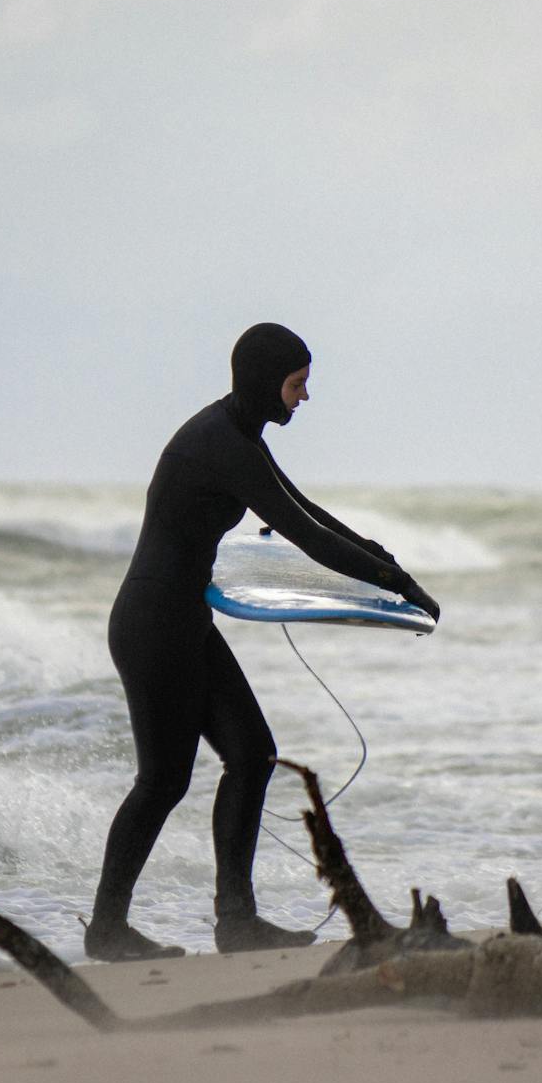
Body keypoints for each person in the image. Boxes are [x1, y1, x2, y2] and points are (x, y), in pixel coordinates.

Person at [87, 322, 440, 962]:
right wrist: (395, 583)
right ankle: (106, 929)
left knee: (252, 755)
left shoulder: (237, 436)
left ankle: (236, 922)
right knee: (163, 780)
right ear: (264, 381)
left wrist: (385, 562)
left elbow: (306, 510)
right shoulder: (219, 443)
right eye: (297, 384)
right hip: (153, 626)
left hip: (184, 618)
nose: (304, 397)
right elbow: (306, 538)